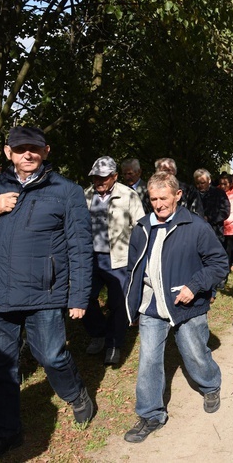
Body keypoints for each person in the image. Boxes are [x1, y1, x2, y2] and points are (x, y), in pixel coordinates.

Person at [0, 126, 95, 462]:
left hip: (44, 295)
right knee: (1, 367)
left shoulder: (66, 190)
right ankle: (7, 433)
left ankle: (76, 393)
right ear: (8, 153)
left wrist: (79, 296)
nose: (27, 154)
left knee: (51, 356)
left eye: (34, 149)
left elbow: (80, 247)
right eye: (20, 148)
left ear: (45, 151)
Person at [123, 171, 229, 443]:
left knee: (194, 352)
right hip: (151, 308)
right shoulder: (142, 227)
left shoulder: (195, 227)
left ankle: (210, 384)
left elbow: (219, 264)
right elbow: (133, 270)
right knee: (148, 359)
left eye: (163, 198)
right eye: (153, 198)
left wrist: (194, 286)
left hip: (187, 306)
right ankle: (150, 415)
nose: (158, 204)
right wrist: (132, 305)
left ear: (178, 196)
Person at [83, 156, 145, 365]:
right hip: (92, 258)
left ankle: (113, 344)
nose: (99, 182)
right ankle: (98, 332)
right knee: (84, 297)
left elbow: (140, 227)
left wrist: (136, 257)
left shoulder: (128, 195)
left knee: (118, 304)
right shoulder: (86, 195)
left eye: (104, 178)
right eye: (95, 178)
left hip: (119, 258)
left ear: (114, 177)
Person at [193, 168, 230, 244]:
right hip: (196, 232)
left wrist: (209, 218)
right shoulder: (192, 194)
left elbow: (225, 211)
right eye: (197, 183)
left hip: (215, 232)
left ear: (209, 180)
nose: (200, 185)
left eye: (202, 183)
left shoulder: (219, 193)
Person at [219, 174, 233, 272]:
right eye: (221, 184)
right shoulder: (217, 193)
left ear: (230, 184)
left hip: (229, 229)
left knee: (227, 253)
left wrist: (221, 222)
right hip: (217, 229)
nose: (223, 186)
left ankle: (225, 273)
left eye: (225, 184)